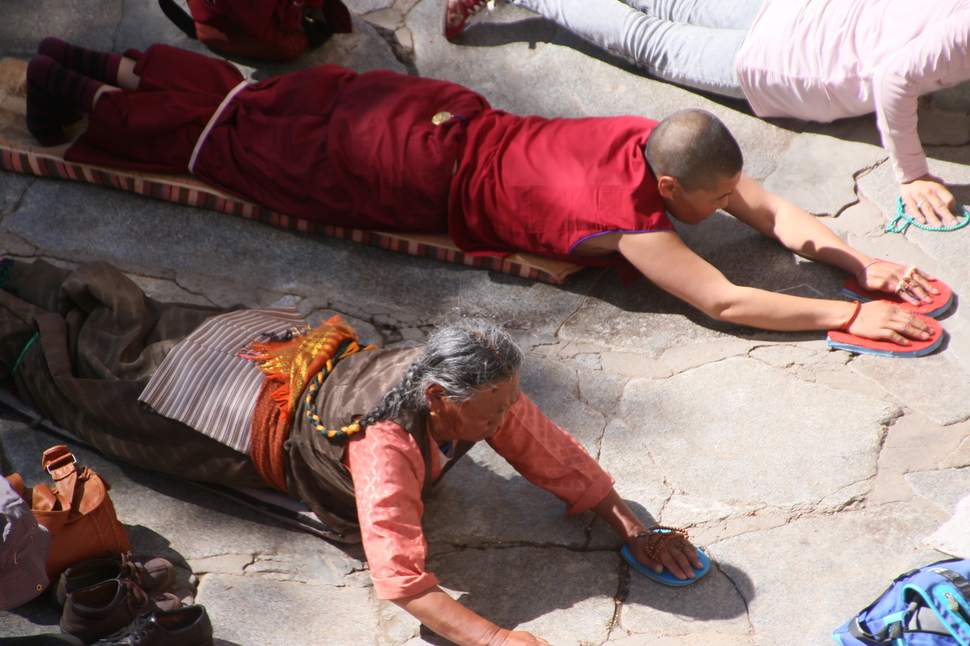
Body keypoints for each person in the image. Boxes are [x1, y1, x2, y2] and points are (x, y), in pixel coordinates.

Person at [25, 40, 938, 349]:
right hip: (411, 172)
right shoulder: (631, 223)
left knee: (276, 105)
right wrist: (838, 320)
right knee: (239, 147)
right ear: (666, 185)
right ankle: (81, 95)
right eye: (709, 200)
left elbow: (772, 213)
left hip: (428, 113)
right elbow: (726, 296)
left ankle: (112, 68)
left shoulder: (658, 142)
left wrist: (863, 266)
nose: (728, 206)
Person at [0, 257, 703, 646]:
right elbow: (399, 577)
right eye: (494, 405)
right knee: (84, 380)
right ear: (437, 399)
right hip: (237, 410)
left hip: (282, 365)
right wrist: (493, 640)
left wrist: (630, 523)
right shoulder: (385, 445)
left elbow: (543, 446)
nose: (508, 413)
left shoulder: (474, 387)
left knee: (128, 337)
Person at [444, 0, 970, 229]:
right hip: (789, 62)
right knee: (646, 39)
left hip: (796, 13)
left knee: (667, 5)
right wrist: (914, 173)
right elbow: (894, 78)